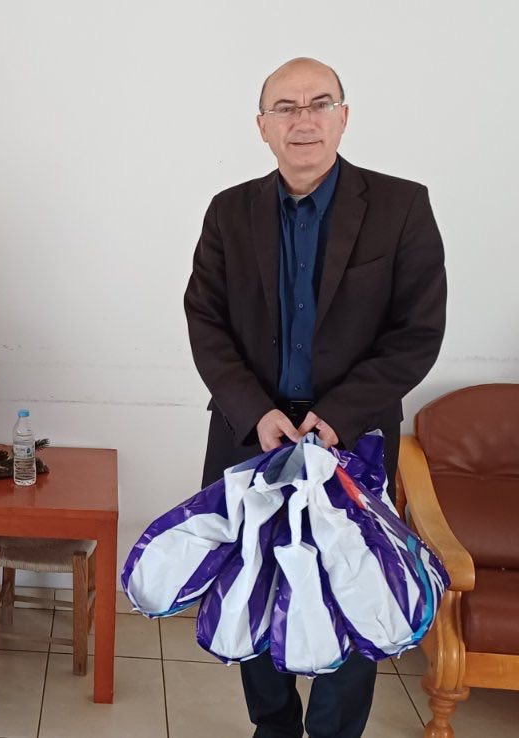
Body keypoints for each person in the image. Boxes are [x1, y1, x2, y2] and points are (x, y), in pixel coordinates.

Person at [182, 57, 448, 738]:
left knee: (352, 594)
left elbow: (417, 333)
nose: (303, 120)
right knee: (253, 587)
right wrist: (255, 410)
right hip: (250, 434)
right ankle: (273, 727)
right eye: (286, 107)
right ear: (262, 126)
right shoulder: (228, 211)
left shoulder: (401, 206)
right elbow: (205, 322)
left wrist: (338, 417)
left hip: (351, 439)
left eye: (319, 103)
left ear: (343, 117)